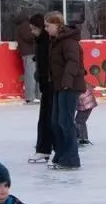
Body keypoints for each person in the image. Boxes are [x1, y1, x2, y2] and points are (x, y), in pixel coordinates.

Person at [44, 12, 85, 170]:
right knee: (56, 122)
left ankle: (71, 158)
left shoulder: (69, 41)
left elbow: (73, 62)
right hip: (59, 85)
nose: (46, 29)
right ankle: (60, 155)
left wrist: (67, 81)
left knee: (65, 122)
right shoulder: (56, 41)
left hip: (70, 86)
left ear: (57, 25)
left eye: (48, 26)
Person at [28, 15, 55, 163]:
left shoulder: (48, 41)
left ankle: (45, 148)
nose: (32, 32)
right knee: (45, 118)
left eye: (34, 29)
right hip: (46, 84)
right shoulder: (40, 40)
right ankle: (44, 148)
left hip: (52, 84)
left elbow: (50, 62)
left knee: (49, 118)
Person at [16, 14, 40, 104]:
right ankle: (30, 97)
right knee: (31, 75)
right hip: (30, 53)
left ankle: (36, 96)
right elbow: (29, 37)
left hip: (30, 52)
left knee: (34, 74)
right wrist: (39, 34)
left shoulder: (23, 25)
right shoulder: (25, 25)